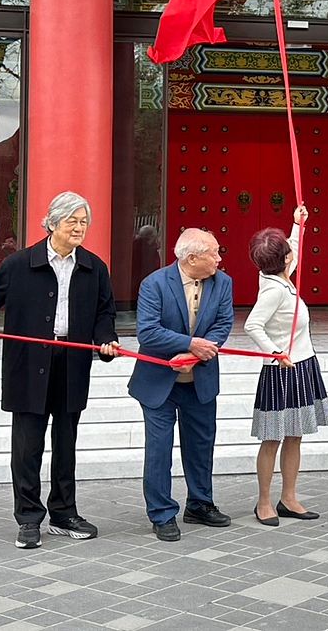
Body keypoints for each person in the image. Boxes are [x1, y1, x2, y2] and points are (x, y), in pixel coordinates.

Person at [0, 191, 119, 549]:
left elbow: (104, 312)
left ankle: (64, 513)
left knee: (66, 443)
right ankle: (29, 518)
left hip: (71, 364)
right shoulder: (20, 264)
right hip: (30, 365)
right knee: (27, 446)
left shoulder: (94, 267)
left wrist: (106, 339)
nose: (79, 228)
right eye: (72, 221)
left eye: (83, 222)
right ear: (52, 223)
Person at [128, 228, 234, 541]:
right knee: (159, 449)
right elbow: (147, 332)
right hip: (158, 381)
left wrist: (196, 354)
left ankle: (200, 503)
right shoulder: (155, 284)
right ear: (192, 258)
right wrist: (190, 344)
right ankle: (162, 513)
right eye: (213, 253)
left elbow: (223, 324)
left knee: (201, 444)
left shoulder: (223, 283)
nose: (219, 259)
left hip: (200, 379)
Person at [243, 206, 328, 526]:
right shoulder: (274, 291)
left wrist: (298, 225)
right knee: (273, 439)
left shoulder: (279, 277)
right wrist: (275, 352)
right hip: (281, 370)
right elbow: (252, 325)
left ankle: (289, 497)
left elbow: (293, 250)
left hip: (302, 365)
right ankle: (264, 502)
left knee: (295, 436)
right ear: (283, 260)